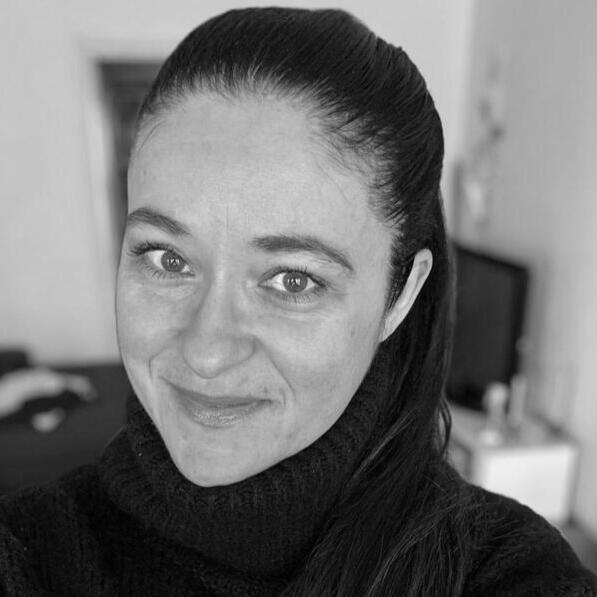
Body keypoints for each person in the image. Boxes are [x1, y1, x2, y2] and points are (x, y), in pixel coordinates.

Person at [1, 7, 595, 596]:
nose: (207, 352)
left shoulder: (507, 573)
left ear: (401, 295)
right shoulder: (28, 553)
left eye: (292, 280)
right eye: (168, 259)